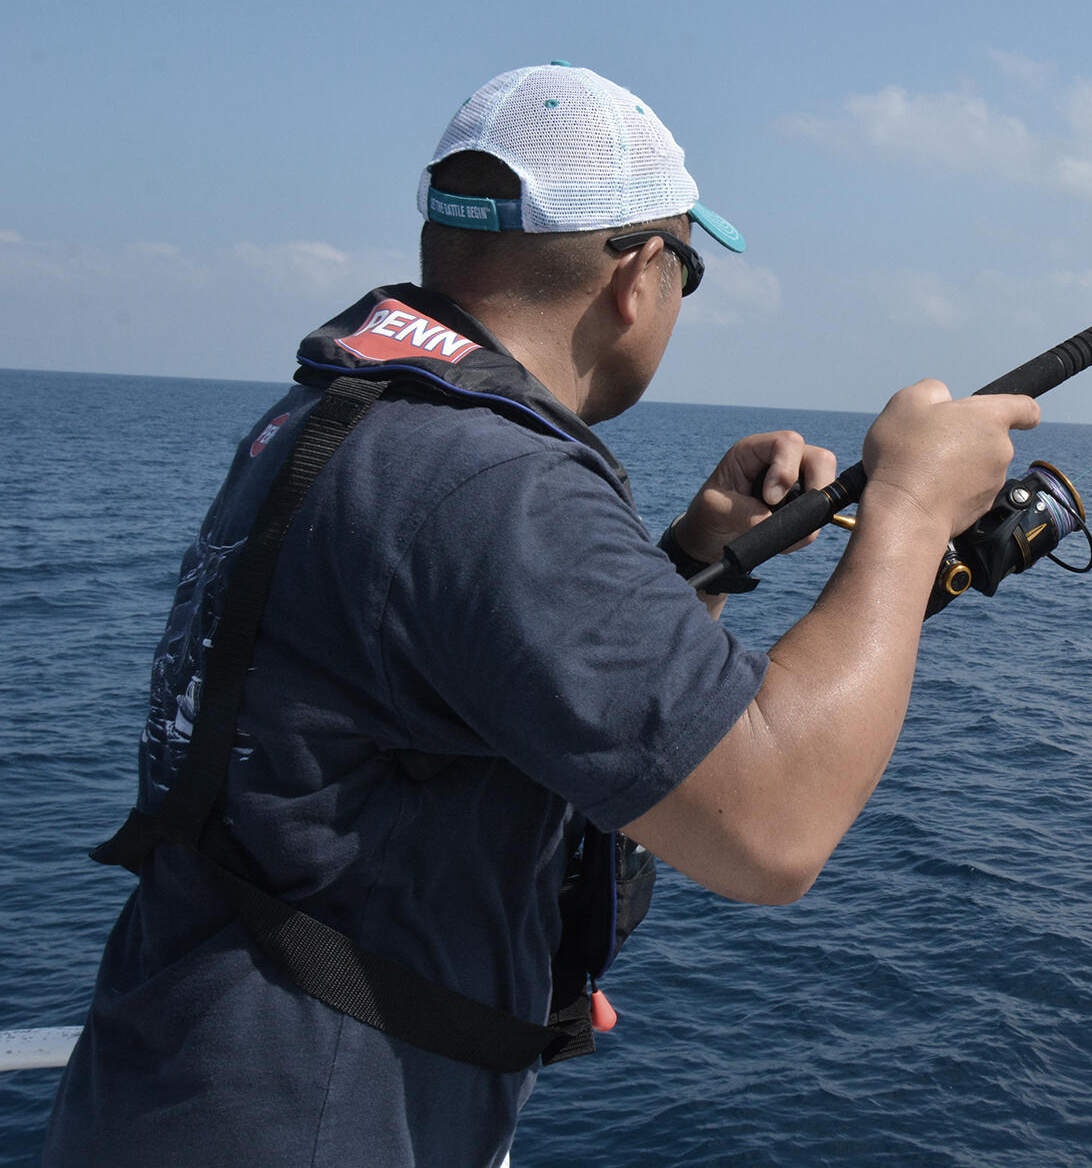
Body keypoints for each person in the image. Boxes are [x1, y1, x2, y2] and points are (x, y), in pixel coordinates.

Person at [43, 62, 1039, 1166]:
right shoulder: (491, 482)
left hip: (176, 1087)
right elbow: (773, 830)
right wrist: (909, 506)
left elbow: (484, 671)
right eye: (687, 273)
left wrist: (700, 551)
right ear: (641, 276)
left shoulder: (351, 417)